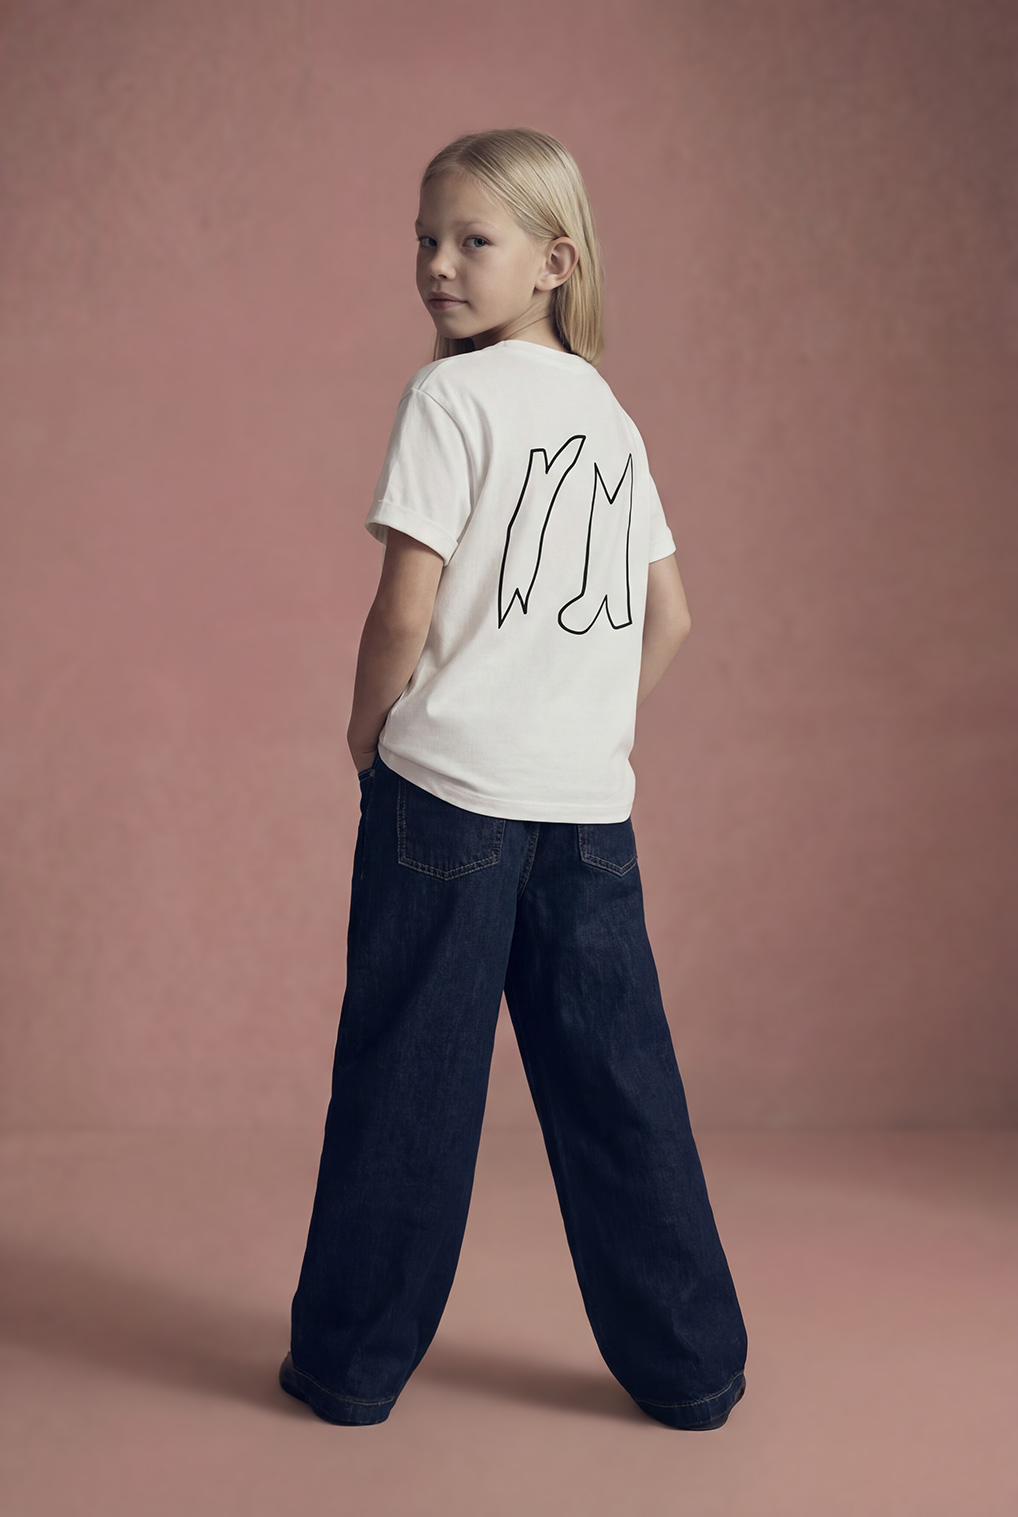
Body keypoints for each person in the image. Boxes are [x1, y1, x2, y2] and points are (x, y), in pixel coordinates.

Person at [280, 127, 747, 1430]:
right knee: (619, 1084)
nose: (437, 264)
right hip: (584, 808)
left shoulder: (450, 400)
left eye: (470, 241)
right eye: (424, 240)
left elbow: (404, 604)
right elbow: (670, 615)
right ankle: (692, 1368)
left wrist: (368, 730)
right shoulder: (607, 414)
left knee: (408, 1080)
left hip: (447, 802)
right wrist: (578, 721)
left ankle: (351, 1366)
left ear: (554, 261)